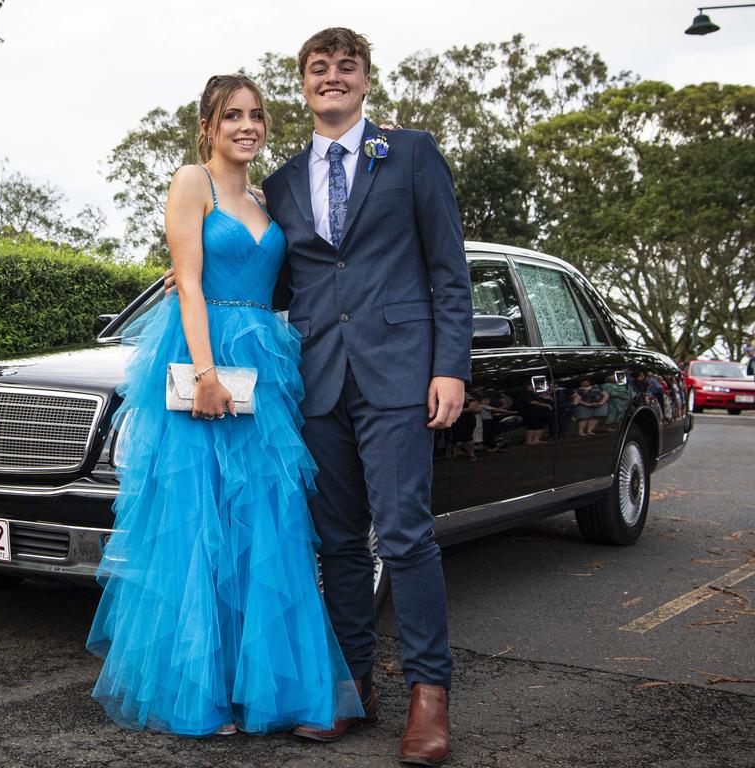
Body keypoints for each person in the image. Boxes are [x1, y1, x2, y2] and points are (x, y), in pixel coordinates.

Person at [86, 75, 363, 737]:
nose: (247, 125)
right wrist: (206, 373)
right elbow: (186, 283)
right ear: (209, 127)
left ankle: (264, 689)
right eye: (232, 116)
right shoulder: (192, 182)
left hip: (265, 368)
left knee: (264, 522)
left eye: (256, 115)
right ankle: (201, 694)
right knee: (200, 520)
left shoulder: (267, 199)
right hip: (203, 356)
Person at [261, 28, 472, 765]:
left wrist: (452, 366)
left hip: (400, 375)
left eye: (345, 67)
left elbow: (449, 269)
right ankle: (353, 685)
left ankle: (429, 694)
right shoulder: (282, 181)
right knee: (340, 544)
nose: (332, 77)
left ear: (366, 80)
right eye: (319, 69)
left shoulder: (410, 153)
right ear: (304, 85)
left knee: (406, 534)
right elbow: (279, 284)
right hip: (316, 381)